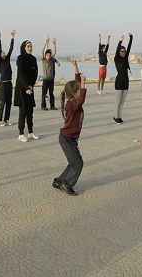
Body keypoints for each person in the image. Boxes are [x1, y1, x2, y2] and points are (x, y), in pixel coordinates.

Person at [52, 58, 87, 196]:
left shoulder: (73, 101)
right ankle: (67, 185)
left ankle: (58, 182)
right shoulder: (73, 105)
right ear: (74, 94)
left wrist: (75, 66)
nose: (81, 91)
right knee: (78, 164)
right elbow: (82, 98)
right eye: (79, 90)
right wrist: (83, 85)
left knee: (72, 163)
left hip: (69, 139)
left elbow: (75, 84)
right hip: (67, 139)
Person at [14, 40, 39, 142]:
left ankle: (30, 132)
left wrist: (31, 86)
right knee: (23, 111)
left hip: (29, 87)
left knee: (30, 111)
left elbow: (35, 73)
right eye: (28, 46)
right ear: (24, 47)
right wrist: (26, 88)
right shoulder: (20, 58)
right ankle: (20, 134)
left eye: (31, 46)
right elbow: (20, 74)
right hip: (22, 87)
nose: (30, 48)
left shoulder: (33, 59)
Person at [0, 30, 15, 126]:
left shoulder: (7, 60)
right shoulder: (0, 62)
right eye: (2, 52)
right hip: (3, 83)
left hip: (9, 83)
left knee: (9, 102)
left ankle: (6, 119)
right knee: (2, 102)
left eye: (3, 52)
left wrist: (12, 38)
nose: (4, 53)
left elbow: (11, 49)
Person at [113, 33, 133, 124]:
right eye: (122, 51)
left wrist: (131, 37)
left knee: (122, 101)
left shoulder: (125, 58)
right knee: (118, 101)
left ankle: (119, 116)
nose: (123, 52)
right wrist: (120, 41)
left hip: (126, 82)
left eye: (124, 51)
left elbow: (129, 47)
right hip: (119, 82)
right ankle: (116, 116)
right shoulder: (117, 59)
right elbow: (117, 50)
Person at [40, 37, 60, 111]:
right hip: (45, 80)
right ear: (45, 56)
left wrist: (54, 44)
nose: (48, 56)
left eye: (49, 55)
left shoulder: (52, 60)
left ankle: (52, 106)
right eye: (47, 55)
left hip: (51, 80)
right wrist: (46, 43)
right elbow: (42, 50)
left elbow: (54, 53)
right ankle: (43, 106)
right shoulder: (43, 60)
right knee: (44, 93)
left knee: (51, 93)